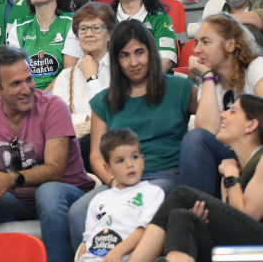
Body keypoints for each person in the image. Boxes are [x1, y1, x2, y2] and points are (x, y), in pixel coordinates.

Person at [0, 45, 95, 262]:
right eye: (15, 84)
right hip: (15, 200)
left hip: (65, 194)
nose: (26, 88)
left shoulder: (53, 107)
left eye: (28, 79)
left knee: (47, 192)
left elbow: (55, 170)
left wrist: (9, 179)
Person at [68, 19, 198, 250]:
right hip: (119, 181)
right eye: (125, 55)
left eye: (140, 52)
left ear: (151, 52)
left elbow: (213, 119)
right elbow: (97, 156)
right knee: (79, 211)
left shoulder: (180, 88)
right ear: (116, 60)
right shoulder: (104, 101)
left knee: (145, 203)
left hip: (166, 177)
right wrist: (115, 183)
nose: (134, 62)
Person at [127, 94, 263, 262]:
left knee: (181, 196)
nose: (223, 114)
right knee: (181, 216)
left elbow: (247, 216)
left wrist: (230, 176)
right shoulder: (230, 167)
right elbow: (233, 219)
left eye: (233, 111)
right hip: (235, 246)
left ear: (251, 125)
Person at [181, 13, 263, 197]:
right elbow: (206, 134)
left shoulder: (256, 67)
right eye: (196, 43)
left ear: (230, 44)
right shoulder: (209, 84)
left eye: (206, 42)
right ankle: (196, 214)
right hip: (227, 162)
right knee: (195, 139)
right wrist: (207, 77)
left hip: (258, 159)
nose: (197, 50)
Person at [75, 129, 164, 261]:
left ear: (143, 161)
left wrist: (119, 250)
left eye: (134, 157)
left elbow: (143, 230)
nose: (130, 164)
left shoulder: (152, 192)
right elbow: (86, 240)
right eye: (120, 161)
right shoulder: (98, 199)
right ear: (108, 169)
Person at [49, 1, 114, 170]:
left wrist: (91, 78)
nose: (88, 34)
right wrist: (87, 119)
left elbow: (110, 115)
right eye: (83, 29)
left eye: (96, 28)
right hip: (70, 147)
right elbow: (57, 120)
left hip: (111, 148)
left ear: (110, 34)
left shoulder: (119, 70)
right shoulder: (65, 76)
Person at [7, 0, 83, 90]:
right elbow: (14, 74)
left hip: (62, 94)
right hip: (27, 96)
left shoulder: (72, 22)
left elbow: (69, 73)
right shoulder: (18, 26)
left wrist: (43, 98)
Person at [112, 0, 177, 72]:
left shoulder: (159, 17)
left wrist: (141, 86)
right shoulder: (107, 19)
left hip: (156, 85)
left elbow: (165, 61)